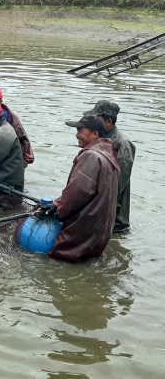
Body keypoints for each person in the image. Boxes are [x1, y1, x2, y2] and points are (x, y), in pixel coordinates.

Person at [42, 115, 120, 262]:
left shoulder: (91, 155)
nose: (76, 135)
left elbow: (79, 192)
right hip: (100, 231)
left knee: (57, 261)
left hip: (84, 228)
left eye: (80, 130)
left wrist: (59, 209)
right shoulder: (109, 153)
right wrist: (58, 202)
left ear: (95, 134)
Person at [86, 100, 135, 233]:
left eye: (97, 117)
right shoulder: (101, 137)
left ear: (108, 121)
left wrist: (102, 201)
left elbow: (120, 181)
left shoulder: (122, 142)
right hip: (101, 205)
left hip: (114, 211)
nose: (94, 120)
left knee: (113, 233)